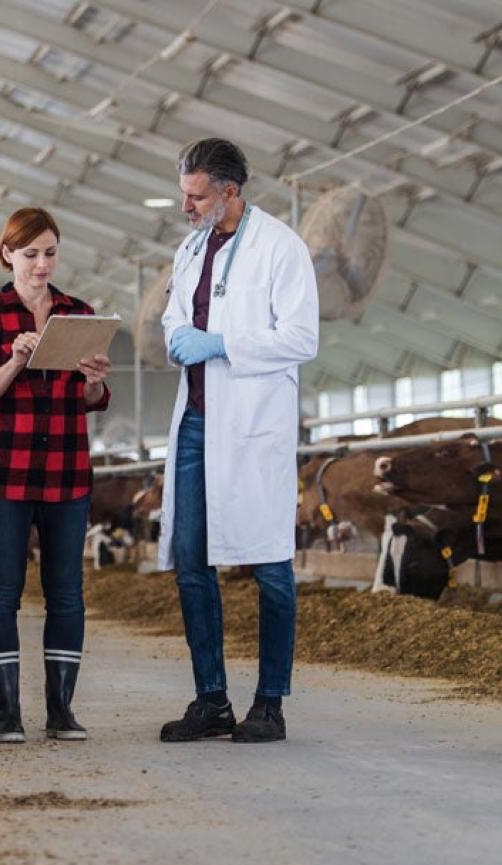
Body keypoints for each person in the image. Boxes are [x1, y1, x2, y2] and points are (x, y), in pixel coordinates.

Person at [156, 138, 319, 744]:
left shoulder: (281, 247)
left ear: (230, 191)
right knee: (192, 562)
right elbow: (175, 312)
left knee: (271, 564)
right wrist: (179, 334)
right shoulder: (190, 247)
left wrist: (221, 342)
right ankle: (211, 700)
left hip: (252, 427)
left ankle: (270, 702)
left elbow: (302, 338)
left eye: (196, 196)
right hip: (198, 420)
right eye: (183, 194)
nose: (186, 207)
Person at [0, 207, 112, 744]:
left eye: (50, 252)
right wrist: (15, 361)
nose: (41, 264)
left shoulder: (79, 314)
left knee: (66, 592)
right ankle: (8, 714)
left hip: (68, 471)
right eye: (30, 254)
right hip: (6, 471)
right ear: (7, 254)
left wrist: (93, 379)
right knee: (2, 590)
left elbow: (93, 400)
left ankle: (61, 711)